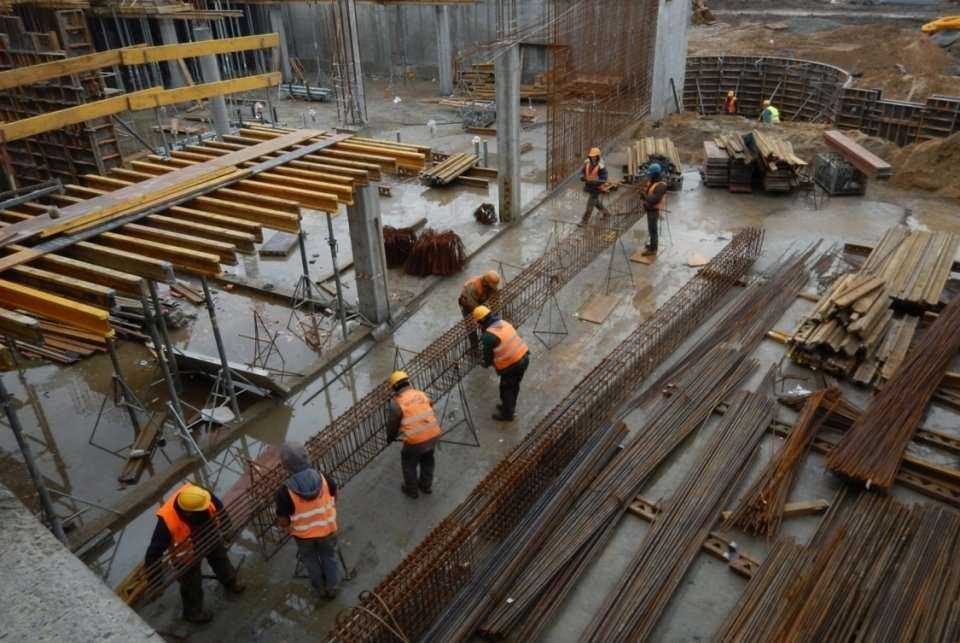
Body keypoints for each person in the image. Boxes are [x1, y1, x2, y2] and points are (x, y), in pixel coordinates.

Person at [144, 483, 245, 624]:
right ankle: (193, 612)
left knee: (220, 559)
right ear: (188, 512)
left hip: (208, 532)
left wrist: (226, 526)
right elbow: (153, 553)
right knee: (191, 584)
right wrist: (155, 581)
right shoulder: (167, 522)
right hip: (186, 554)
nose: (207, 504)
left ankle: (230, 581)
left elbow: (219, 507)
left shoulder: (200, 495)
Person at [275, 442, 340, 600]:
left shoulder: (283, 492)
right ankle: (332, 587)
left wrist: (289, 527)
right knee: (329, 556)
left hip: (304, 536)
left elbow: (283, 521)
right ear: (306, 457)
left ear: (285, 466)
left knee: (310, 560)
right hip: (327, 529)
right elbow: (335, 495)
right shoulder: (323, 477)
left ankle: (320, 588)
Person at [386, 370, 441, 499]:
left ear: (394, 387)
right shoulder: (420, 394)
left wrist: (390, 437)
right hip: (433, 433)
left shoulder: (396, 403)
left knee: (408, 463)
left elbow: (393, 424)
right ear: (407, 382)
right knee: (428, 459)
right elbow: (430, 403)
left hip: (415, 440)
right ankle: (426, 486)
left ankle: (412, 490)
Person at [473, 305, 530, 422]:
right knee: (514, 386)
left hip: (512, 365)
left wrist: (484, 363)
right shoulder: (503, 323)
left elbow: (488, 358)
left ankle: (508, 414)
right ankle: (508, 407)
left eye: (478, 322)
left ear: (482, 320)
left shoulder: (488, 336)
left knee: (506, 389)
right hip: (524, 357)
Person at [459, 271, 502, 354]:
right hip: (468, 305)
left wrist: (494, 313)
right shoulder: (472, 288)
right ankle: (475, 349)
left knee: (487, 322)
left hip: (480, 301)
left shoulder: (490, 285)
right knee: (472, 327)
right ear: (486, 283)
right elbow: (473, 307)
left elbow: (495, 300)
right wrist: (480, 320)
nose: (493, 288)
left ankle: (486, 342)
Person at [641, 164, 668, 256]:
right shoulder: (654, 182)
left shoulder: (661, 186)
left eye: (650, 174)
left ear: (655, 174)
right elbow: (649, 192)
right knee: (651, 229)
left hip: (654, 210)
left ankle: (653, 250)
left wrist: (645, 197)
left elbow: (654, 199)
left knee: (653, 230)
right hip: (650, 209)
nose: (649, 176)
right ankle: (652, 245)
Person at [579, 146, 611, 225]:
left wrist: (596, 182)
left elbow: (604, 178)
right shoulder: (587, 163)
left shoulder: (601, 166)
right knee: (595, 202)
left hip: (597, 188)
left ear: (597, 156)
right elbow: (582, 172)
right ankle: (606, 213)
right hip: (589, 186)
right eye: (591, 156)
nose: (593, 158)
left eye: (594, 157)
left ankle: (584, 221)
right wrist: (583, 177)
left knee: (590, 205)